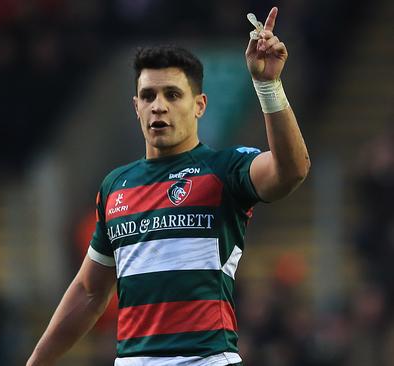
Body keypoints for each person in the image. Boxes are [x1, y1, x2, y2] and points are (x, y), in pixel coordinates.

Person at [27, 7, 310, 366]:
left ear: (200, 106)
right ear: (135, 107)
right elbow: (88, 291)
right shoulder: (115, 186)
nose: (158, 106)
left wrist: (268, 86)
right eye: (148, 96)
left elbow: (292, 170)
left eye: (173, 95)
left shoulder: (224, 170)